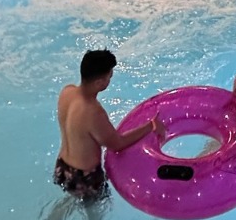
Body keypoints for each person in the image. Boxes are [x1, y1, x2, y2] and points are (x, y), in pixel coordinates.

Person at [54, 49, 166, 200]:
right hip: (85, 177)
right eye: (109, 77)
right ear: (99, 82)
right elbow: (117, 144)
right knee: (94, 210)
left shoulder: (67, 92)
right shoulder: (93, 112)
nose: (109, 81)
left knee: (71, 199)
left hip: (62, 167)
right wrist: (151, 125)